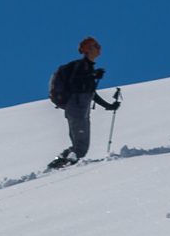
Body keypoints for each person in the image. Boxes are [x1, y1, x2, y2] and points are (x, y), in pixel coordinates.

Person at [48, 37, 120, 168]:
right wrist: (92, 76)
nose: (99, 48)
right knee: (81, 147)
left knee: (79, 145)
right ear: (88, 49)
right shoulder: (81, 66)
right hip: (77, 108)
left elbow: (90, 93)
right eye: (95, 46)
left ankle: (59, 162)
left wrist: (108, 106)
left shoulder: (88, 68)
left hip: (79, 109)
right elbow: (76, 84)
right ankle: (62, 165)